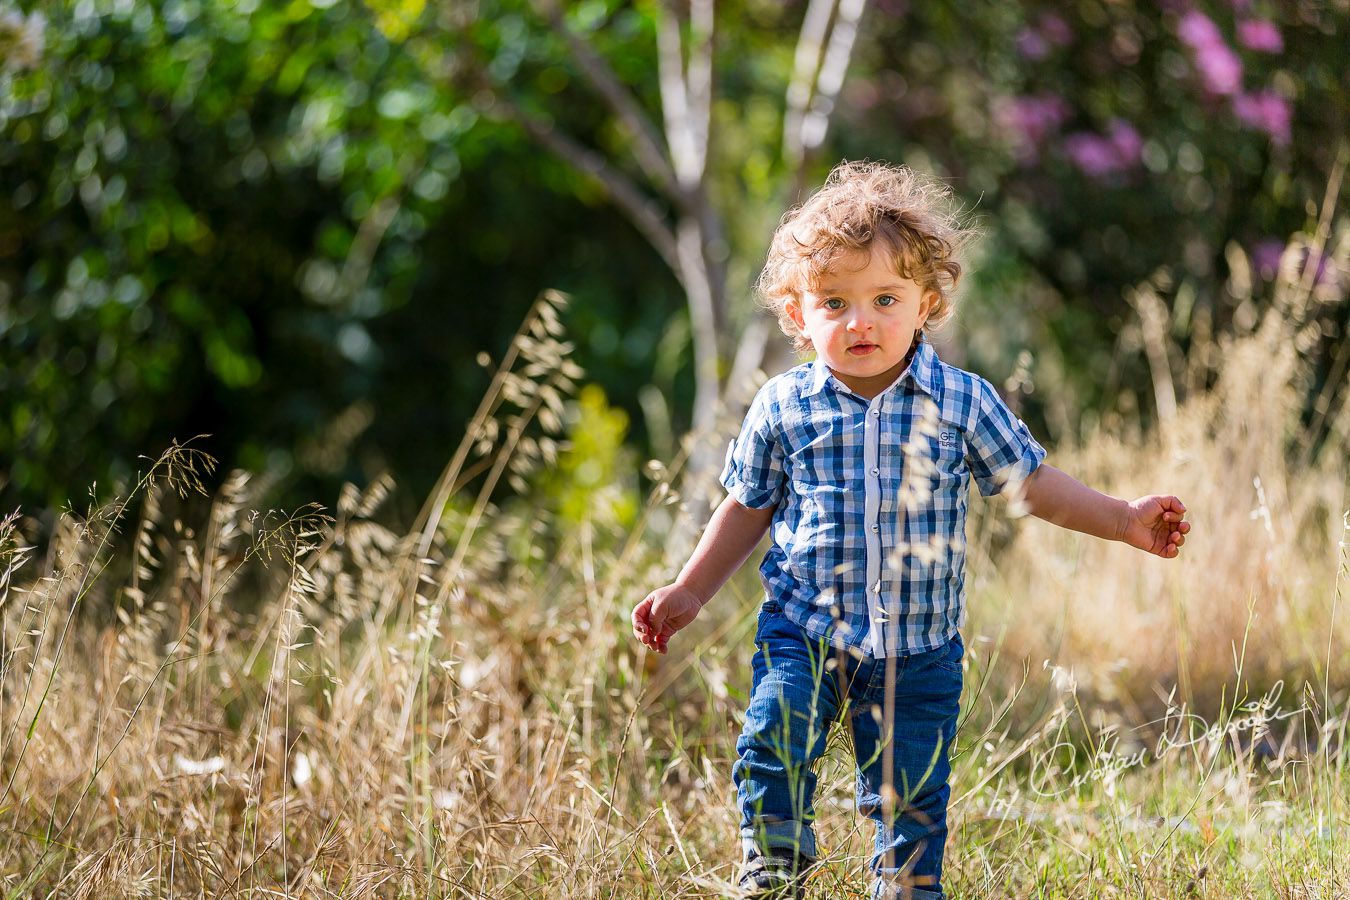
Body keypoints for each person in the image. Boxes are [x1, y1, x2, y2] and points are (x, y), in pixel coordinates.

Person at [630, 160, 1191, 899]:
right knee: (773, 732)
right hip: (803, 628)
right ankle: (774, 870)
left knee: (913, 794)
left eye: (884, 299)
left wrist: (1122, 519)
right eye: (835, 302)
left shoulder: (960, 401)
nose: (860, 321)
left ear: (925, 304)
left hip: (918, 648)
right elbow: (747, 505)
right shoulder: (782, 406)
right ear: (798, 315)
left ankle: (905, 886)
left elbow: (1030, 483)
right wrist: (691, 590)